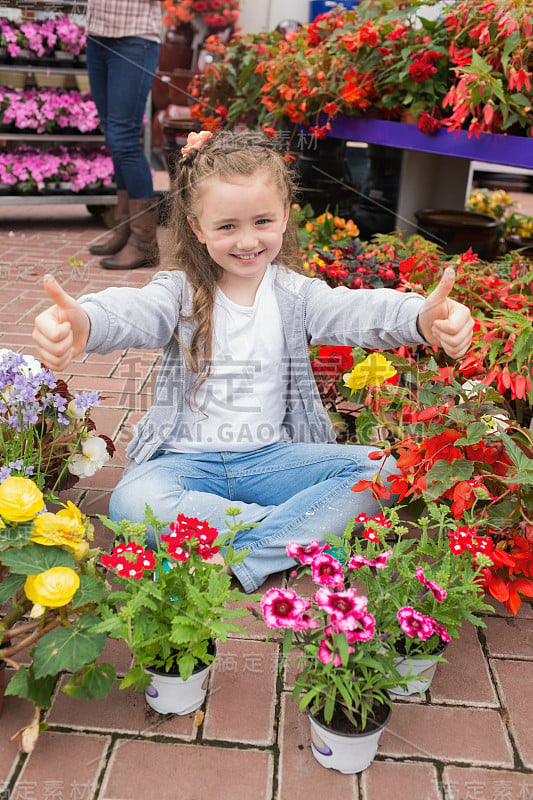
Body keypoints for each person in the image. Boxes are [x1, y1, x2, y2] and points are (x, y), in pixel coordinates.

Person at [32, 130, 474, 594]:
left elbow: (357, 310)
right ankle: (300, 534)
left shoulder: (296, 295)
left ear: (284, 215)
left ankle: (241, 547)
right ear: (197, 227)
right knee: (133, 502)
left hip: (272, 460)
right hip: (184, 464)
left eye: (262, 221)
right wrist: (82, 323)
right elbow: (132, 313)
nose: (247, 240)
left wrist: (420, 317)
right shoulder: (178, 291)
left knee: (384, 469)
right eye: (227, 227)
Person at [85, 0, 162, 270]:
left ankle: (144, 242)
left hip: (134, 38)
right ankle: (126, 228)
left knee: (124, 138)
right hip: (98, 36)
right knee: (114, 137)